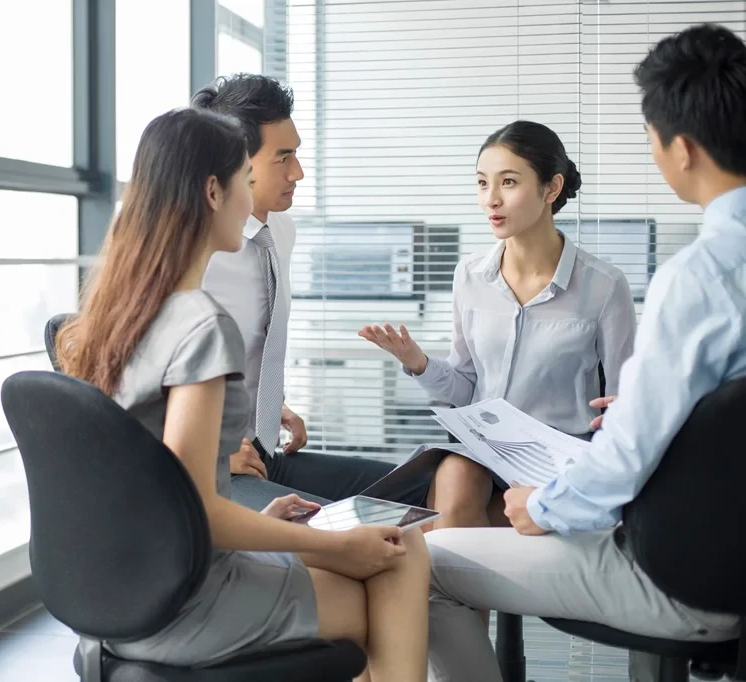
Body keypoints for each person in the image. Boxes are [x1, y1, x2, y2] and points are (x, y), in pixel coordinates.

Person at [55, 107, 430, 680]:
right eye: (241, 182)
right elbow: (196, 511)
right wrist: (339, 548)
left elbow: (155, 485)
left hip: (113, 596)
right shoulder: (200, 324)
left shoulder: (112, 316)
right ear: (213, 190)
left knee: (356, 545)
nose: (248, 197)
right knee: (401, 558)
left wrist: (265, 524)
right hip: (186, 601)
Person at [423, 23, 746, 682]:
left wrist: (539, 507)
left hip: (684, 575)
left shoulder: (700, 276)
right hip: (723, 551)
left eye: (650, 139)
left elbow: (627, 455)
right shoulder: (471, 274)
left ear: (681, 148)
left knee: (417, 566)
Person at [360, 120, 637, 530]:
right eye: (481, 183)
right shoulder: (469, 275)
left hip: (557, 464)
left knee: (445, 528)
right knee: (455, 484)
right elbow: (467, 388)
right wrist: (418, 363)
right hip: (483, 452)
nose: (491, 200)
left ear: (551, 188)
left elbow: (623, 403)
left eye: (508, 182)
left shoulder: (604, 287)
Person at [192, 73, 435, 512]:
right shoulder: (194, 248)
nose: (298, 172)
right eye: (282, 158)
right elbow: (133, 388)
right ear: (234, 163)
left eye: (297, 154)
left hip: (265, 451)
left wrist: (271, 407)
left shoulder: (280, 231)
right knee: (361, 532)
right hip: (214, 468)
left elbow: (248, 344)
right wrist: (211, 454)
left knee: (428, 486)